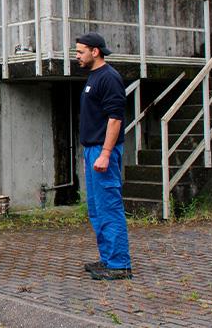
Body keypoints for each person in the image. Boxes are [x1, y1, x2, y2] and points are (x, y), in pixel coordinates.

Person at [75, 32, 133, 281]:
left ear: (95, 51)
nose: (77, 56)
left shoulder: (109, 77)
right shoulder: (94, 76)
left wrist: (106, 153)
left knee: (109, 206)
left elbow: (115, 119)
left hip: (103, 150)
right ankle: (108, 259)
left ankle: (119, 264)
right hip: (93, 150)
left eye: (80, 52)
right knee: (97, 209)